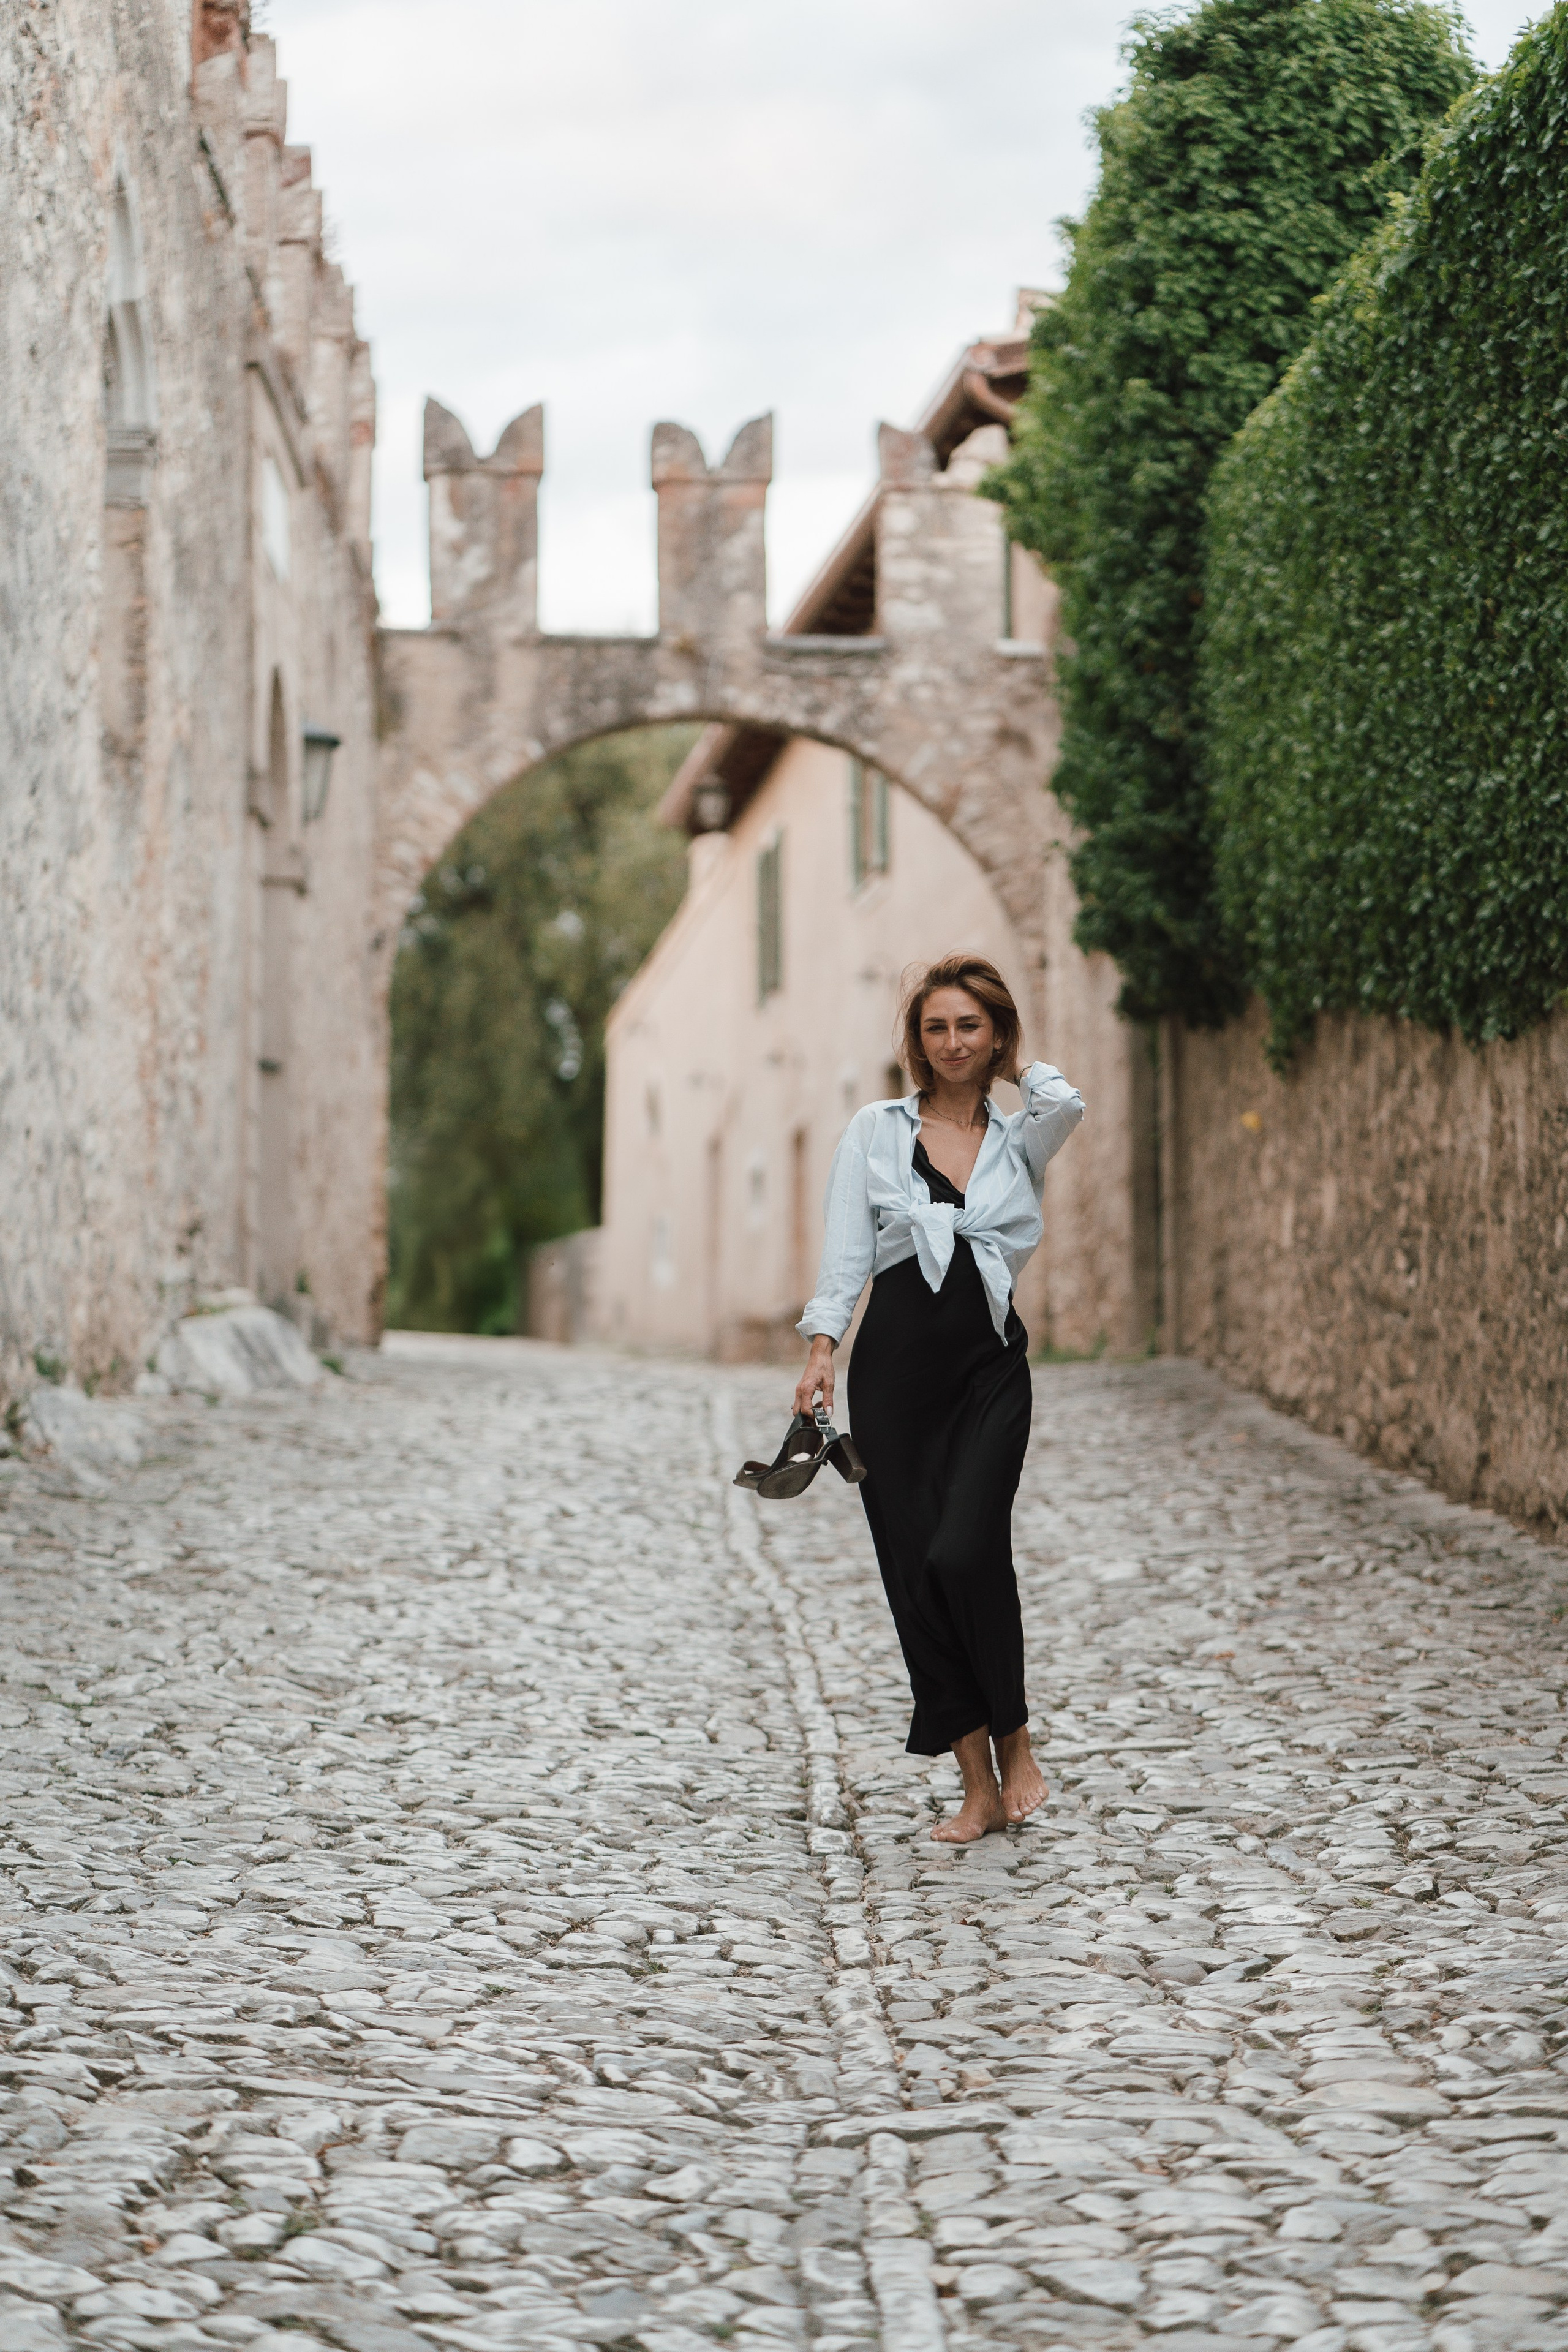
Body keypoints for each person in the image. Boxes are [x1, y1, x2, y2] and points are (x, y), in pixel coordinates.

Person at [794, 953, 1084, 1842]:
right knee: (915, 1574)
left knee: (967, 1551)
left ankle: (1018, 1739)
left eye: (969, 1026)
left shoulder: (1020, 1134)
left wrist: (1014, 1068)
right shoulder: (877, 1131)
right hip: (896, 1380)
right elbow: (848, 1253)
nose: (952, 1042)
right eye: (935, 1028)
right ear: (915, 1041)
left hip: (990, 1368)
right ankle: (977, 1786)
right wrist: (821, 1350)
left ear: (995, 1034)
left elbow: (1066, 1101)